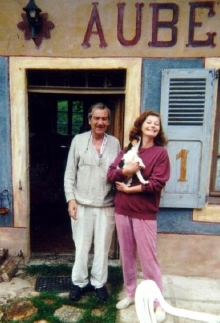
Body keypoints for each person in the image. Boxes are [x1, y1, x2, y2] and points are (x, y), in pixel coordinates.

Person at [107, 110, 170, 322]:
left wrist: (129, 189)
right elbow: (110, 174)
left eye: (156, 124)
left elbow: (156, 184)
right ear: (141, 126)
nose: (153, 126)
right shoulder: (128, 150)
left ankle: (157, 303)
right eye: (149, 122)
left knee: (149, 259)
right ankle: (131, 293)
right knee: (127, 255)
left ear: (158, 130)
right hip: (122, 210)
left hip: (144, 213)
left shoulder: (160, 154)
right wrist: (126, 170)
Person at [64, 102, 120, 302]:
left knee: (103, 247)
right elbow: (70, 174)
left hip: (106, 205)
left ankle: (98, 283)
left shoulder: (115, 143)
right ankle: (78, 282)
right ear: (89, 120)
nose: (100, 122)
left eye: (104, 118)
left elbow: (118, 172)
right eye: (96, 118)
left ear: (109, 122)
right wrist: (71, 199)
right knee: (81, 246)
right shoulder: (78, 141)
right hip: (82, 204)